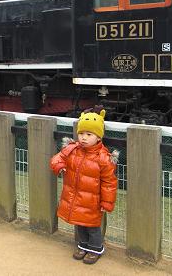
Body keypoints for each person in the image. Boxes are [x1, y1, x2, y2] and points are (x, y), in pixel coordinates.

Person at [50, 109, 118, 265]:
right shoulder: (72, 149)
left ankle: (95, 248)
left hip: (92, 200)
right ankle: (83, 245)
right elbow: (56, 159)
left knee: (93, 227)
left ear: (98, 137)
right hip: (75, 196)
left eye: (89, 135)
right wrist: (60, 166)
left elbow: (109, 183)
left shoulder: (104, 158)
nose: (84, 138)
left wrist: (107, 202)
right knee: (79, 223)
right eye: (81, 134)